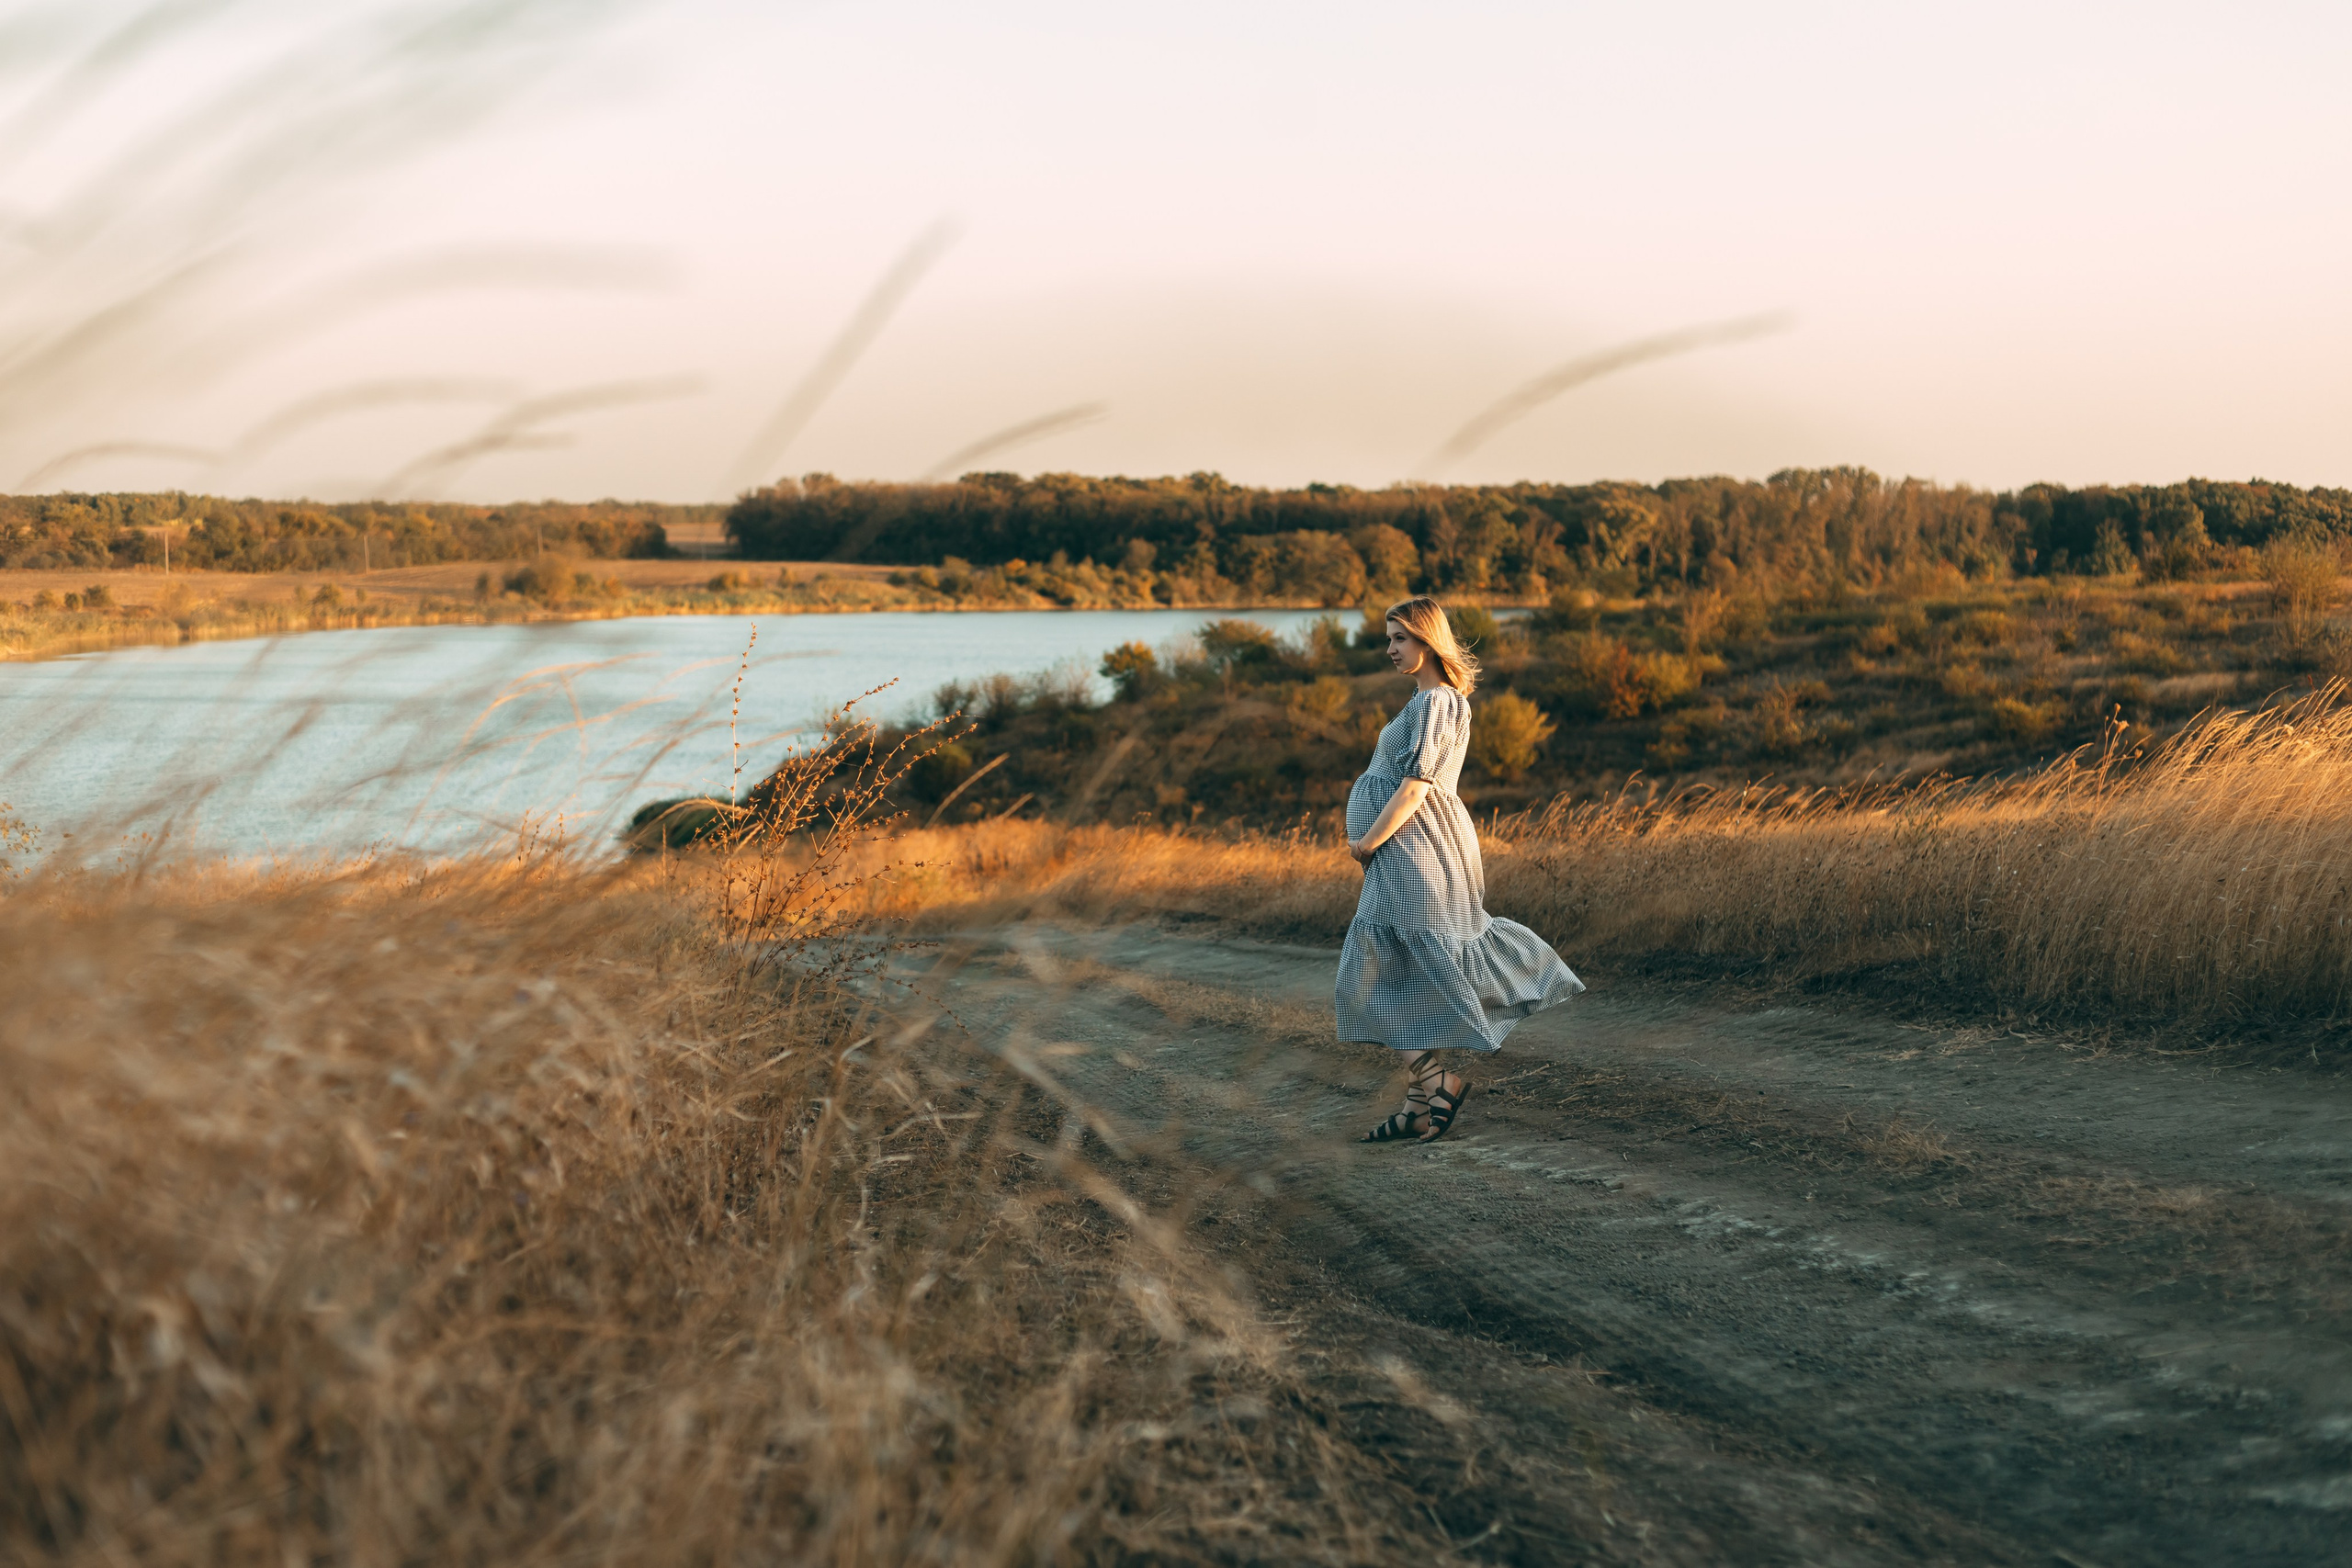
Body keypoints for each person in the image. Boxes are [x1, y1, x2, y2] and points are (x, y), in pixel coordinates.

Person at [1340, 596, 1583, 1142]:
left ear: (1428, 641)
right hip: (1406, 851)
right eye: (1388, 639)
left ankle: (1439, 1083)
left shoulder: (1436, 702)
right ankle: (1418, 1106)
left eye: (1400, 638)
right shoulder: (1425, 701)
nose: (1390, 649)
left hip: (1414, 848)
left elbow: (1417, 786)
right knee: (1399, 968)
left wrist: (1368, 843)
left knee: (1370, 974)